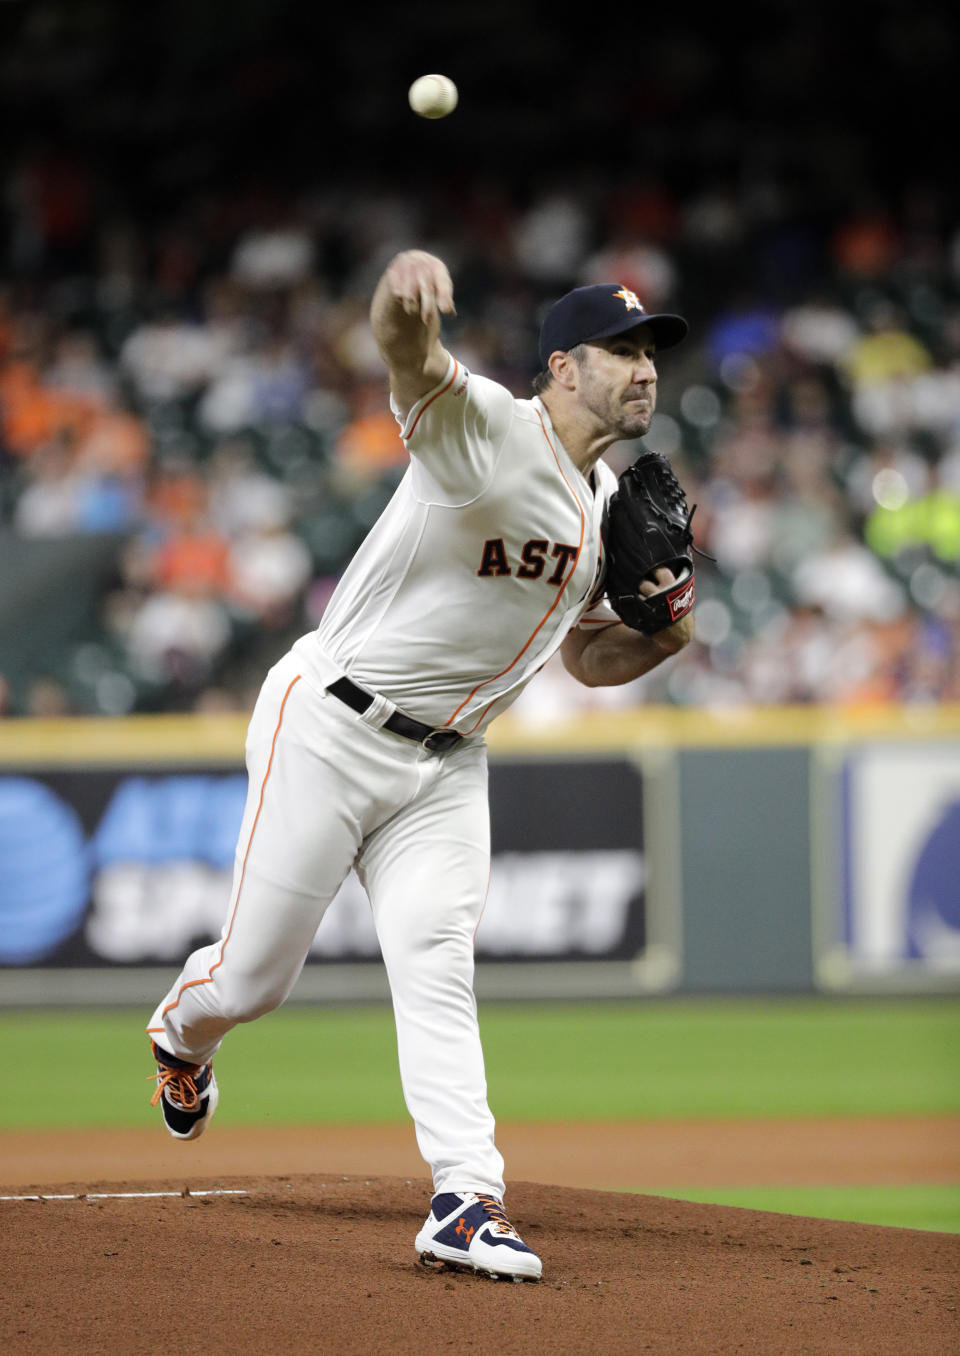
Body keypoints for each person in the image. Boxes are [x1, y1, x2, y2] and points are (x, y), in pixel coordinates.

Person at [146, 251, 693, 1282]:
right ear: (562, 368)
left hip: (448, 767)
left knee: (437, 958)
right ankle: (182, 1036)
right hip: (332, 727)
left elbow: (585, 658)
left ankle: (464, 1197)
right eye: (621, 350)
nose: (643, 368)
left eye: (650, 351)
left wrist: (660, 638)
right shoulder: (484, 428)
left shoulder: (611, 500)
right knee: (253, 980)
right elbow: (408, 358)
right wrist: (398, 298)